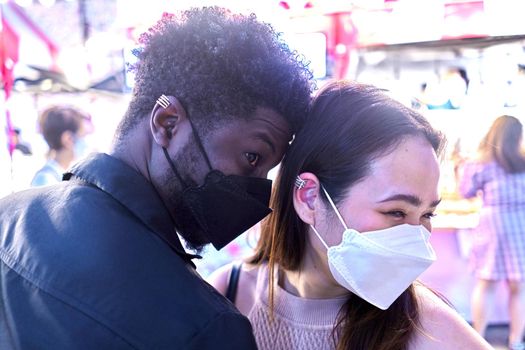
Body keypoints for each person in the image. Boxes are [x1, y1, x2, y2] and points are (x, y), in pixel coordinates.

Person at [0, 7, 312, 349]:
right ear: (168, 123)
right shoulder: (205, 327)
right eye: (252, 157)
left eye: (268, 170)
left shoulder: (7, 216)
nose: (259, 189)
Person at [209, 81, 492, 350]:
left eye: (428, 214)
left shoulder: (428, 327)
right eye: (395, 211)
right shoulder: (227, 295)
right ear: (309, 198)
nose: (416, 237)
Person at [458, 115, 525, 350]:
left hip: (492, 225)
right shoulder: (522, 160)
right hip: (521, 224)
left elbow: (465, 192)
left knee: (486, 284)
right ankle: (516, 341)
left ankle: (478, 339)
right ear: (518, 135)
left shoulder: (479, 162)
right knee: (519, 287)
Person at [30, 105, 90, 187]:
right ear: (68, 139)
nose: (86, 143)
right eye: (83, 136)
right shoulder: (46, 180)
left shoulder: (64, 175)